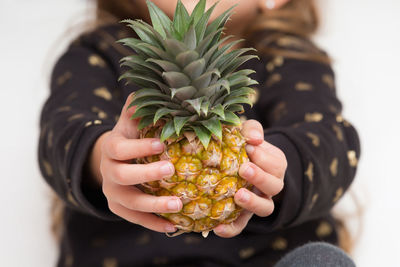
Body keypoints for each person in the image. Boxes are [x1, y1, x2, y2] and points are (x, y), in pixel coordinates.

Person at [38, 0, 361, 266]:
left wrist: (273, 166)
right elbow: (61, 131)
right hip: (128, 259)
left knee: (322, 261)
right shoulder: (99, 53)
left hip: (267, 259)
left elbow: (329, 140)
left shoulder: (291, 59)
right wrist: (102, 160)